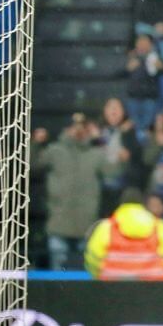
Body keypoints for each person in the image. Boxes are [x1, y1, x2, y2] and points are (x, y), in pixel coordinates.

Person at [31, 113, 121, 270]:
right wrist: (34, 144)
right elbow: (32, 166)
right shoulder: (55, 151)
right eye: (74, 127)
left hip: (86, 225)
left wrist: (101, 141)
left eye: (83, 127)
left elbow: (113, 172)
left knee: (84, 276)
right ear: (66, 129)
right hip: (59, 223)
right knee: (58, 278)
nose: (78, 131)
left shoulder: (96, 153)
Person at [85, 188, 163, 281]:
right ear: (143, 205)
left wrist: (99, 277)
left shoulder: (107, 226)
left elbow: (93, 259)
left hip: (112, 285)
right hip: (154, 284)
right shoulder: (158, 226)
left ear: (121, 204)